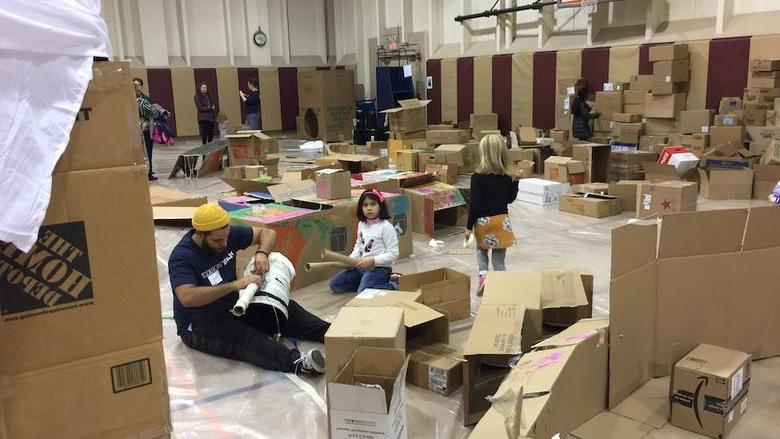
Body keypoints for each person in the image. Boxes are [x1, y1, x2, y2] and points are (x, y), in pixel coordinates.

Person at [168, 203, 329, 374]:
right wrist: (236, 285)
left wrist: (262, 252)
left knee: (284, 308)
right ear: (200, 234)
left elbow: (268, 232)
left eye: (226, 237)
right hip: (198, 321)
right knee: (246, 338)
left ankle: (334, 334)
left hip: (233, 305)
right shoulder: (182, 257)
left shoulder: (226, 236)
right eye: (217, 240)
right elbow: (188, 297)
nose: (224, 243)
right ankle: (299, 363)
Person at [465, 134, 520, 292]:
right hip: (502, 222)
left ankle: (483, 276)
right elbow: (510, 199)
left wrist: (469, 227)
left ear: (483, 153)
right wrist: (516, 181)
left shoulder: (477, 178)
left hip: (484, 223)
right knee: (499, 260)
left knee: (481, 250)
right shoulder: (506, 177)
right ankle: (502, 285)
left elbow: (474, 205)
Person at [330, 189, 400, 293]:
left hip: (379, 269)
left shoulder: (386, 227)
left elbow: (393, 254)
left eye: (373, 204)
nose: (369, 208)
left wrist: (373, 260)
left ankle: (393, 284)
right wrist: (351, 260)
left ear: (380, 206)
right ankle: (367, 284)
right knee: (335, 285)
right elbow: (358, 247)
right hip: (361, 266)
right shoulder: (361, 224)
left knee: (363, 293)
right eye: (365, 205)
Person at [133, 77, 156, 181]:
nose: (135, 87)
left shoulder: (146, 99)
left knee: (149, 149)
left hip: (146, 127)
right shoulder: (130, 99)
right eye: (134, 85)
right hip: (135, 129)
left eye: (137, 85)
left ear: (141, 86)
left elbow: (151, 112)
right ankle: (140, 172)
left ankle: (149, 172)